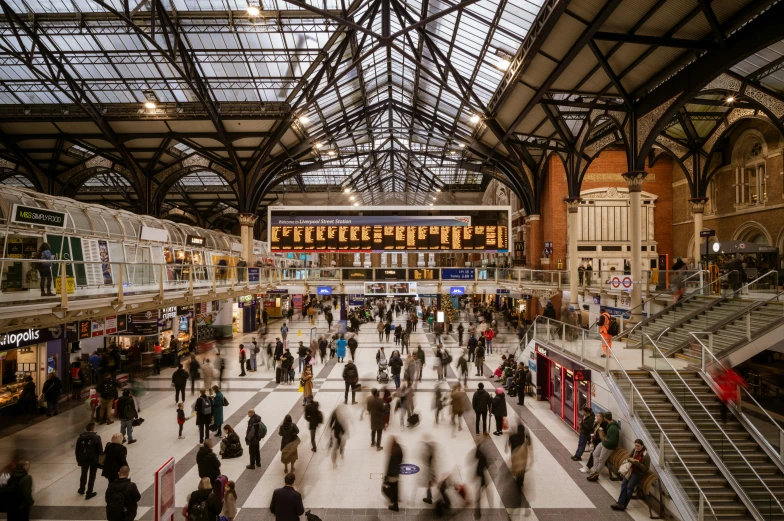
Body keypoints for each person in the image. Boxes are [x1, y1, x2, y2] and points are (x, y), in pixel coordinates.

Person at [611, 439, 650, 511]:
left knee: (629, 488)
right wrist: (631, 460)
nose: (637, 447)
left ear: (642, 446)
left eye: (638, 446)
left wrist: (637, 463)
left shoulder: (646, 456)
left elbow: (645, 469)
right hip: (631, 470)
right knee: (623, 486)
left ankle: (623, 504)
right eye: (635, 446)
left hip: (638, 473)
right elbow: (629, 457)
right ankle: (620, 503)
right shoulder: (634, 450)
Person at [587, 411, 619, 482]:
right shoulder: (609, 424)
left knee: (601, 459)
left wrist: (602, 436)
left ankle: (596, 473)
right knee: (595, 454)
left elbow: (612, 440)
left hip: (608, 446)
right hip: (604, 443)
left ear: (605, 418)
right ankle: (595, 471)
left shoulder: (613, 428)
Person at [75, 421, 103, 499]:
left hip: (83, 459)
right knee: (92, 476)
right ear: (93, 428)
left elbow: (77, 450)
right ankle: (89, 493)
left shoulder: (80, 438)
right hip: (93, 460)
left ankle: (81, 489)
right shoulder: (97, 437)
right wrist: (101, 462)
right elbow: (100, 451)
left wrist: (78, 460)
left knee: (83, 474)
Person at [507, 423, 531, 492]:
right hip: (523, 457)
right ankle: (520, 482)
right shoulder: (525, 437)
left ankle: (518, 480)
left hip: (514, 456)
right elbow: (529, 444)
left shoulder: (513, 436)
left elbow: (509, 443)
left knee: (516, 467)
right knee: (522, 469)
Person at [384, 437, 403, 511]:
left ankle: (395, 504)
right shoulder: (399, 447)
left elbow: (390, 465)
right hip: (397, 472)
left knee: (392, 488)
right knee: (395, 488)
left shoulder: (393, 452)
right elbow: (401, 458)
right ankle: (395, 501)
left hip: (392, 474)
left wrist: (386, 476)